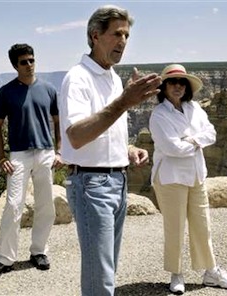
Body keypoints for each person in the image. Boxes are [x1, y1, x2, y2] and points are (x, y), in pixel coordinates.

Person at [58, 5, 161, 296]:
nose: (123, 41)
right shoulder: (77, 78)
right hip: (92, 185)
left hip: (117, 181)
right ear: (95, 35)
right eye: (117, 34)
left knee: (108, 270)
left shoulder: (113, 77)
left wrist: (127, 149)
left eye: (127, 35)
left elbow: (103, 128)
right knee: (100, 277)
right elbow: (76, 137)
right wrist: (123, 103)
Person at [149, 64, 227, 294]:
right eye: (172, 82)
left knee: (202, 225)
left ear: (186, 87)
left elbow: (211, 133)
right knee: (175, 226)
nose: (177, 86)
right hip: (170, 177)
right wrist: (195, 142)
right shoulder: (159, 115)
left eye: (182, 83)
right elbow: (171, 148)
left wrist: (189, 140)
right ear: (164, 87)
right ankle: (176, 273)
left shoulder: (195, 108)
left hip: (197, 174)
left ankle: (210, 271)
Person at [0, 43, 62, 280]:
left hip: (45, 153)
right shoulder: (6, 92)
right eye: (23, 62)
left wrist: (58, 151)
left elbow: (58, 122)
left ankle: (39, 252)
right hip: (18, 155)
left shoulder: (48, 89)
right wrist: (1, 158)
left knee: (46, 205)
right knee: (13, 205)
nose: (29, 65)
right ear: (15, 65)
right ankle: (4, 259)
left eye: (31, 60)